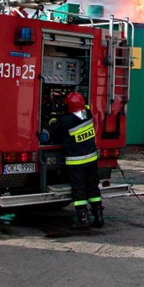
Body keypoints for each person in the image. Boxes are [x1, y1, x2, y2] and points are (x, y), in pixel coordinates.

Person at [48, 91, 104, 230]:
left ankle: (82, 219)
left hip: (76, 162)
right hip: (91, 159)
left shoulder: (66, 121)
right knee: (93, 188)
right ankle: (98, 217)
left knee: (79, 190)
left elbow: (53, 127)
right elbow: (83, 108)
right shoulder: (87, 114)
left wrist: (55, 114)